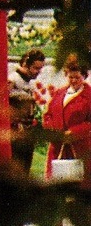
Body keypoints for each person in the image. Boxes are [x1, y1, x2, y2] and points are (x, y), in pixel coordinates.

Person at [44, 54, 91, 176]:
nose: (74, 80)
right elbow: (48, 115)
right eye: (71, 77)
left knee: (80, 183)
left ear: (84, 76)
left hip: (79, 145)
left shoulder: (88, 96)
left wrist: (74, 132)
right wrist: (52, 129)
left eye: (77, 77)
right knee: (56, 182)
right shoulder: (59, 93)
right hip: (58, 145)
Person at [8, 48, 46, 181]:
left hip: (26, 130)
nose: (38, 72)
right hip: (16, 130)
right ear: (25, 64)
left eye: (40, 69)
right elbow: (3, 98)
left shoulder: (27, 81)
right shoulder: (13, 79)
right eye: (36, 68)